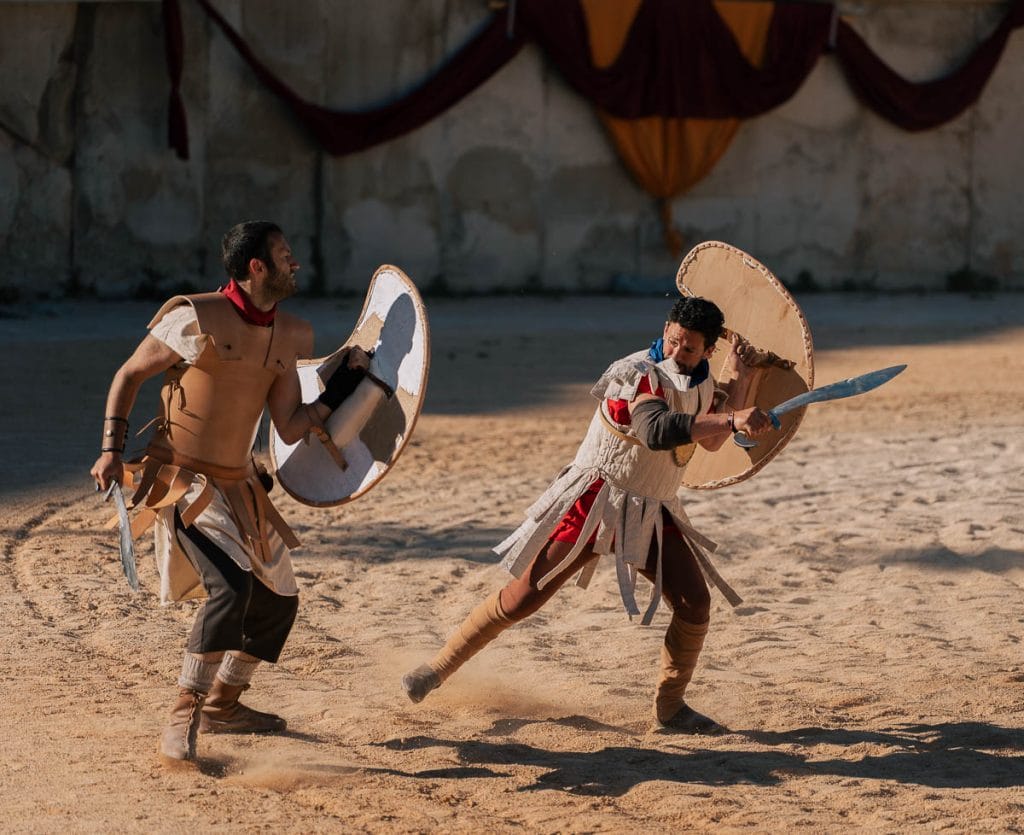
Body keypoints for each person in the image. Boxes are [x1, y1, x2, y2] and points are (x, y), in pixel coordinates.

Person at [402, 296, 772, 733]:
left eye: (688, 349)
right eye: (672, 341)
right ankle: (437, 668)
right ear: (666, 329)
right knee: (525, 596)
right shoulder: (639, 374)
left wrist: (743, 376)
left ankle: (671, 709)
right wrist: (733, 420)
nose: (675, 353)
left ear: (708, 351)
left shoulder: (703, 378)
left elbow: (709, 439)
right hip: (597, 499)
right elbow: (656, 430)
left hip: (652, 506)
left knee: (695, 604)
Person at [90, 221, 377, 765]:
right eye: (285, 255)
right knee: (230, 589)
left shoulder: (289, 334)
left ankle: (225, 702)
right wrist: (110, 449)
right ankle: (184, 712)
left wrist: (344, 382)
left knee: (280, 599)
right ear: (256, 267)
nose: (295, 263)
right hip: (183, 482)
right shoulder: (193, 318)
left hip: (240, 485)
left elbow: (290, 425)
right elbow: (128, 376)